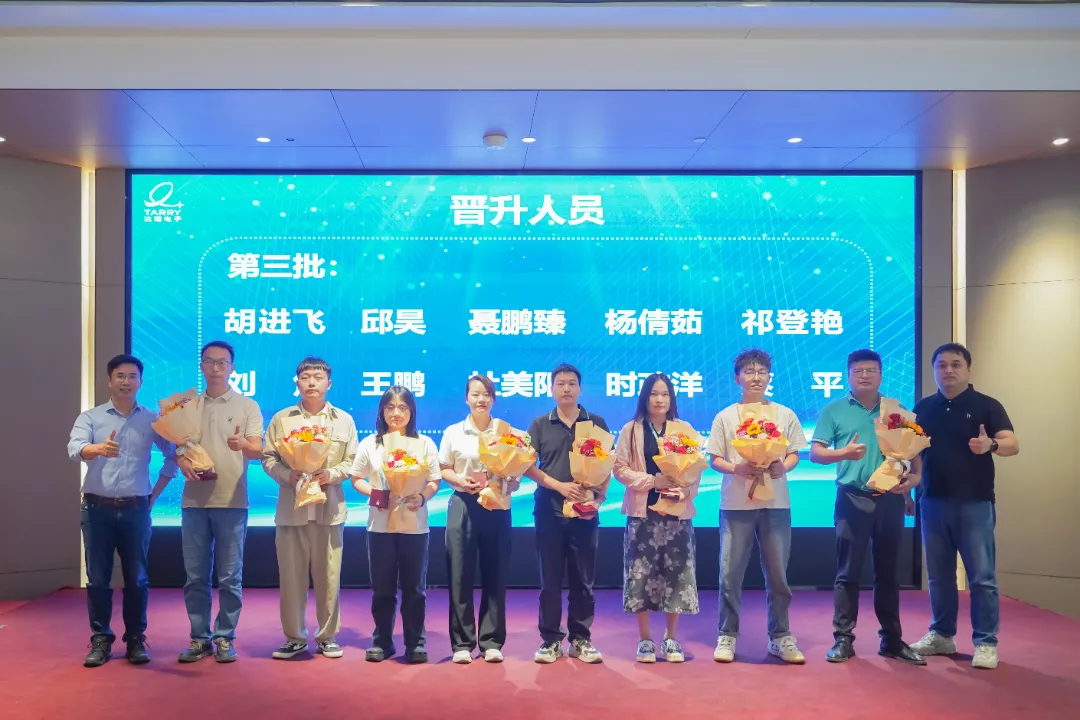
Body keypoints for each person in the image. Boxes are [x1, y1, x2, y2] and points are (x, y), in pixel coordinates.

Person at [150, 341, 263, 664]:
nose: (216, 367)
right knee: (195, 577)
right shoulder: (187, 406)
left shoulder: (247, 406)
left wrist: (243, 444)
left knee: (230, 577)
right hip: (194, 502)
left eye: (222, 362)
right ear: (201, 366)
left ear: (232, 368)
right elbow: (174, 449)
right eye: (210, 361)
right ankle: (199, 638)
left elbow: (258, 450)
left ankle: (225, 637)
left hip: (232, 500)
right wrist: (181, 459)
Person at [810, 349, 925, 665]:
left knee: (888, 573)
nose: (865, 375)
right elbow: (816, 453)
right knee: (847, 573)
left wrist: (912, 485)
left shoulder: (897, 411)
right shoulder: (835, 410)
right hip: (852, 499)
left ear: (881, 375)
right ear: (848, 375)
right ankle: (843, 639)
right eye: (858, 370)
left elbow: (913, 453)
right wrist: (843, 454)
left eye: (871, 370)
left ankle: (892, 640)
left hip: (890, 500)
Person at [910, 343, 1019, 670]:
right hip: (932, 501)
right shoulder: (923, 408)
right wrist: (909, 489)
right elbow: (913, 453)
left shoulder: (987, 405)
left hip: (975, 503)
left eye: (956, 364)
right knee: (939, 575)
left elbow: (1012, 444)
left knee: (981, 577)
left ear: (968, 369)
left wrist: (991, 444)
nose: (948, 370)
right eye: (941, 365)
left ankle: (985, 641)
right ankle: (942, 634)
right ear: (934, 370)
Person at [68, 354, 178, 667]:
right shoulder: (91, 417)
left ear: (140, 382)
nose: (126, 381)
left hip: (136, 510)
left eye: (132, 376)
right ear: (109, 380)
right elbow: (74, 448)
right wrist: (98, 449)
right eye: (120, 376)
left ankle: (135, 639)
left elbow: (174, 454)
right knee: (98, 579)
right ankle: (101, 639)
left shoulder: (153, 420)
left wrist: (156, 492)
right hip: (96, 510)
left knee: (137, 578)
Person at [705, 349, 807, 664]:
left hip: (776, 504)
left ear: (769, 377)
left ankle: (780, 636)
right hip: (736, 505)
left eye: (761, 371)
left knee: (778, 575)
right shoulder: (725, 416)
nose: (756, 377)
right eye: (749, 372)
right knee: (730, 573)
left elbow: (794, 452)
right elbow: (714, 459)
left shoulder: (784, 414)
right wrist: (737, 468)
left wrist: (782, 467)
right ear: (737, 379)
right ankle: (727, 635)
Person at [262, 356, 357, 660]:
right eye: (305, 377)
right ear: (297, 383)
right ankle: (294, 637)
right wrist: (286, 475)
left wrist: (331, 474)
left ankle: (327, 636)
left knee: (329, 577)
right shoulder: (282, 419)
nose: (312, 382)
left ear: (329, 383)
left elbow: (352, 461)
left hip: (330, 510)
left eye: (318, 377)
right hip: (292, 511)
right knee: (291, 578)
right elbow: (268, 458)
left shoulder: (344, 420)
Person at [524, 363, 609, 664]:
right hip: (548, 511)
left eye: (572, 383)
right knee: (550, 581)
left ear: (580, 388)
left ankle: (580, 639)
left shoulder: (596, 423)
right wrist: (559, 486)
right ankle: (550, 640)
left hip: (585, 513)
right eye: (560, 383)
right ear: (551, 389)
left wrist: (598, 499)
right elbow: (527, 465)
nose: (566, 388)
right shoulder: (540, 425)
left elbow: (606, 466)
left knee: (583, 580)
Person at [350, 386, 442, 664]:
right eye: (390, 407)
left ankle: (415, 643)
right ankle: (382, 641)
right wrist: (377, 496)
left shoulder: (425, 444)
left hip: (414, 525)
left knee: (415, 589)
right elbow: (356, 478)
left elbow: (434, 480)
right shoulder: (371, 444)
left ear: (412, 411)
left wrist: (422, 497)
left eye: (403, 407)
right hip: (380, 526)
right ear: (381, 411)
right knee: (383, 588)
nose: (396, 413)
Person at [613, 373, 700, 664]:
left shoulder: (684, 429)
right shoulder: (631, 429)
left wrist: (684, 491)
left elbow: (695, 471)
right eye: (654, 394)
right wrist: (653, 481)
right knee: (641, 575)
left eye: (665, 394)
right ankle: (645, 640)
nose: (660, 399)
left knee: (677, 575)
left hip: (676, 516)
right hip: (643, 514)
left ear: (672, 398)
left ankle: (671, 639)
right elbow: (620, 469)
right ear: (645, 397)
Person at [439, 375, 518, 664]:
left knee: (496, 572)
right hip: (463, 503)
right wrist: (460, 480)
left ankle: (491, 642)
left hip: (497, 505)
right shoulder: (453, 432)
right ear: (466, 398)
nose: (480, 399)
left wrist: (511, 481)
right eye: (475, 394)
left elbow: (516, 469)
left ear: (493, 399)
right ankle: (462, 643)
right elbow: (444, 467)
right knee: (459, 574)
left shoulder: (506, 433)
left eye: (486, 394)